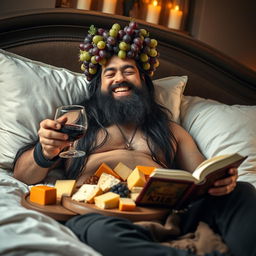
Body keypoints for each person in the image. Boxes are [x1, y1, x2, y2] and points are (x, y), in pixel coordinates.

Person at [13, 21, 256, 256]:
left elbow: (202, 176)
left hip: (169, 215)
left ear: (143, 81)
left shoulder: (171, 130)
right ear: (99, 85)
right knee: (100, 233)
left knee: (242, 191)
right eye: (110, 73)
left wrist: (222, 181)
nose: (119, 78)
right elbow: (23, 176)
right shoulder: (78, 121)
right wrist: (44, 152)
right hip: (102, 215)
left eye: (128, 71)